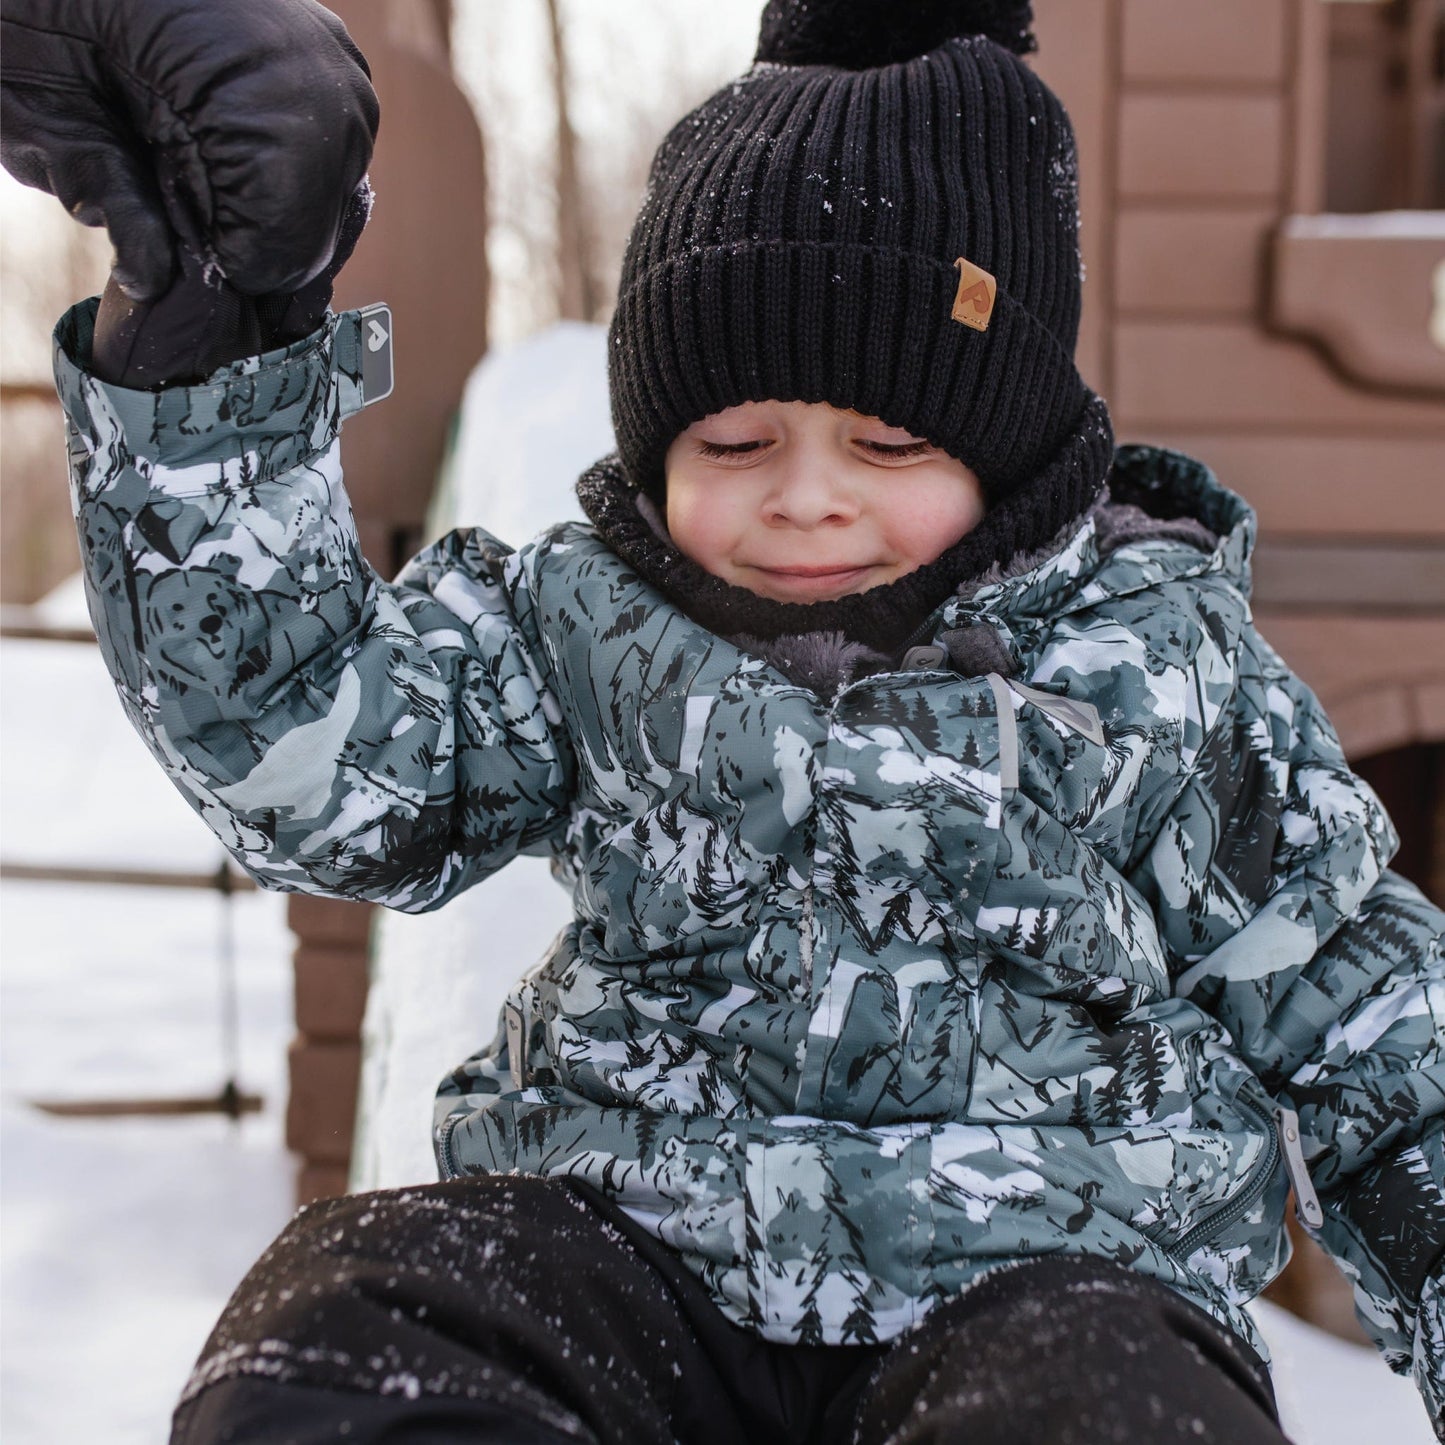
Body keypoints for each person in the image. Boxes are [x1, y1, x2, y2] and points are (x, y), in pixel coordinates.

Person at [3, 0, 1442, 1440]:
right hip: (635, 1246)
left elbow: (1379, 1029)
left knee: (1120, 1410)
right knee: (352, 1307)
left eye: (888, 441)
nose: (803, 494)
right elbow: (308, 747)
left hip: (1047, 1274)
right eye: (732, 442)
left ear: (1006, 454)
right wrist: (213, 340)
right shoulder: (582, 626)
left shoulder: (1160, 671)